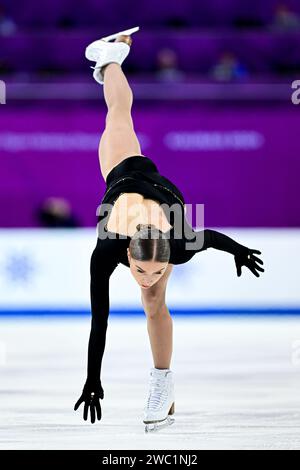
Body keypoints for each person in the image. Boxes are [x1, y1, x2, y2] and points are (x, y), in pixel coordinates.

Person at [73, 27, 264, 429]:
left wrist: (240, 251)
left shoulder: (177, 244)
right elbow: (99, 318)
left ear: (169, 259)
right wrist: (93, 378)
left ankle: (163, 383)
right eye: (143, 271)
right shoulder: (108, 246)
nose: (147, 277)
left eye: (156, 271)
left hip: (161, 198)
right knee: (118, 114)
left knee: (154, 304)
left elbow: (209, 238)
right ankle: (110, 58)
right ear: (126, 253)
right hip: (125, 171)